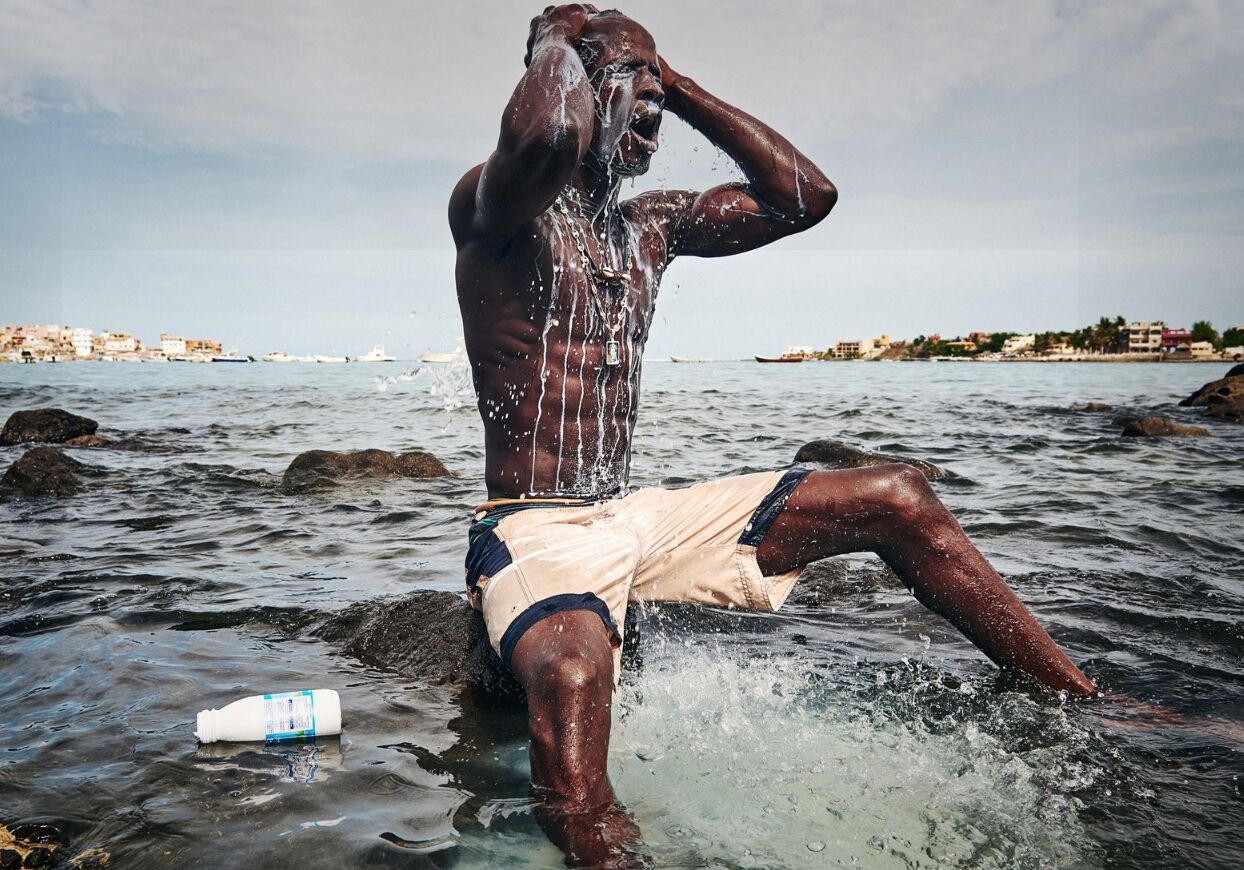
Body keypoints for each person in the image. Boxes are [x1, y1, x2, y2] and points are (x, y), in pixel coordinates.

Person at [448, 6, 1097, 865]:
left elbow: (803, 197)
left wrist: (671, 83)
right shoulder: (498, 211)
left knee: (896, 495)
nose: (645, 95)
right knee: (573, 675)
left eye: (655, 81)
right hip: (534, 523)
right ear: (567, 75)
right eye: (624, 77)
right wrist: (557, 43)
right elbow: (545, 140)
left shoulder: (649, 228)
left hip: (631, 516)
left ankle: (1080, 699)